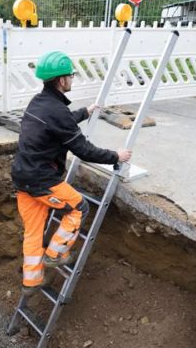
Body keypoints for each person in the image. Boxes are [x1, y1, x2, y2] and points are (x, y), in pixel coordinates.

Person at [11, 51, 132, 296]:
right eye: (71, 76)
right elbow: (83, 150)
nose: (72, 79)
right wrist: (115, 156)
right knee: (78, 207)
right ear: (61, 80)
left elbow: (60, 122)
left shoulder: (39, 102)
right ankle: (56, 253)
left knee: (33, 232)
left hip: (22, 177)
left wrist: (84, 113)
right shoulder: (56, 110)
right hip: (42, 181)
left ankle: (31, 281)